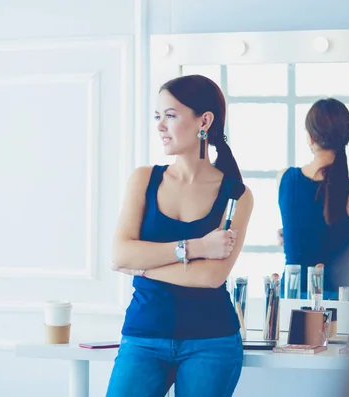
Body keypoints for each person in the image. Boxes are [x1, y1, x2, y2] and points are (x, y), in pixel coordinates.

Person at [106, 74, 253, 397]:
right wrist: (197, 247)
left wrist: (142, 265)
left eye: (170, 116)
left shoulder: (236, 194)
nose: (160, 126)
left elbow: (211, 276)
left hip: (212, 342)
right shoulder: (144, 179)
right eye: (157, 116)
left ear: (205, 121)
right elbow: (120, 255)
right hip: (144, 335)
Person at [277, 98, 349, 301]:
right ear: (346, 137)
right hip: (342, 295)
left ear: (310, 137)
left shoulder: (285, 179)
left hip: (294, 295)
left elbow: (297, 236)